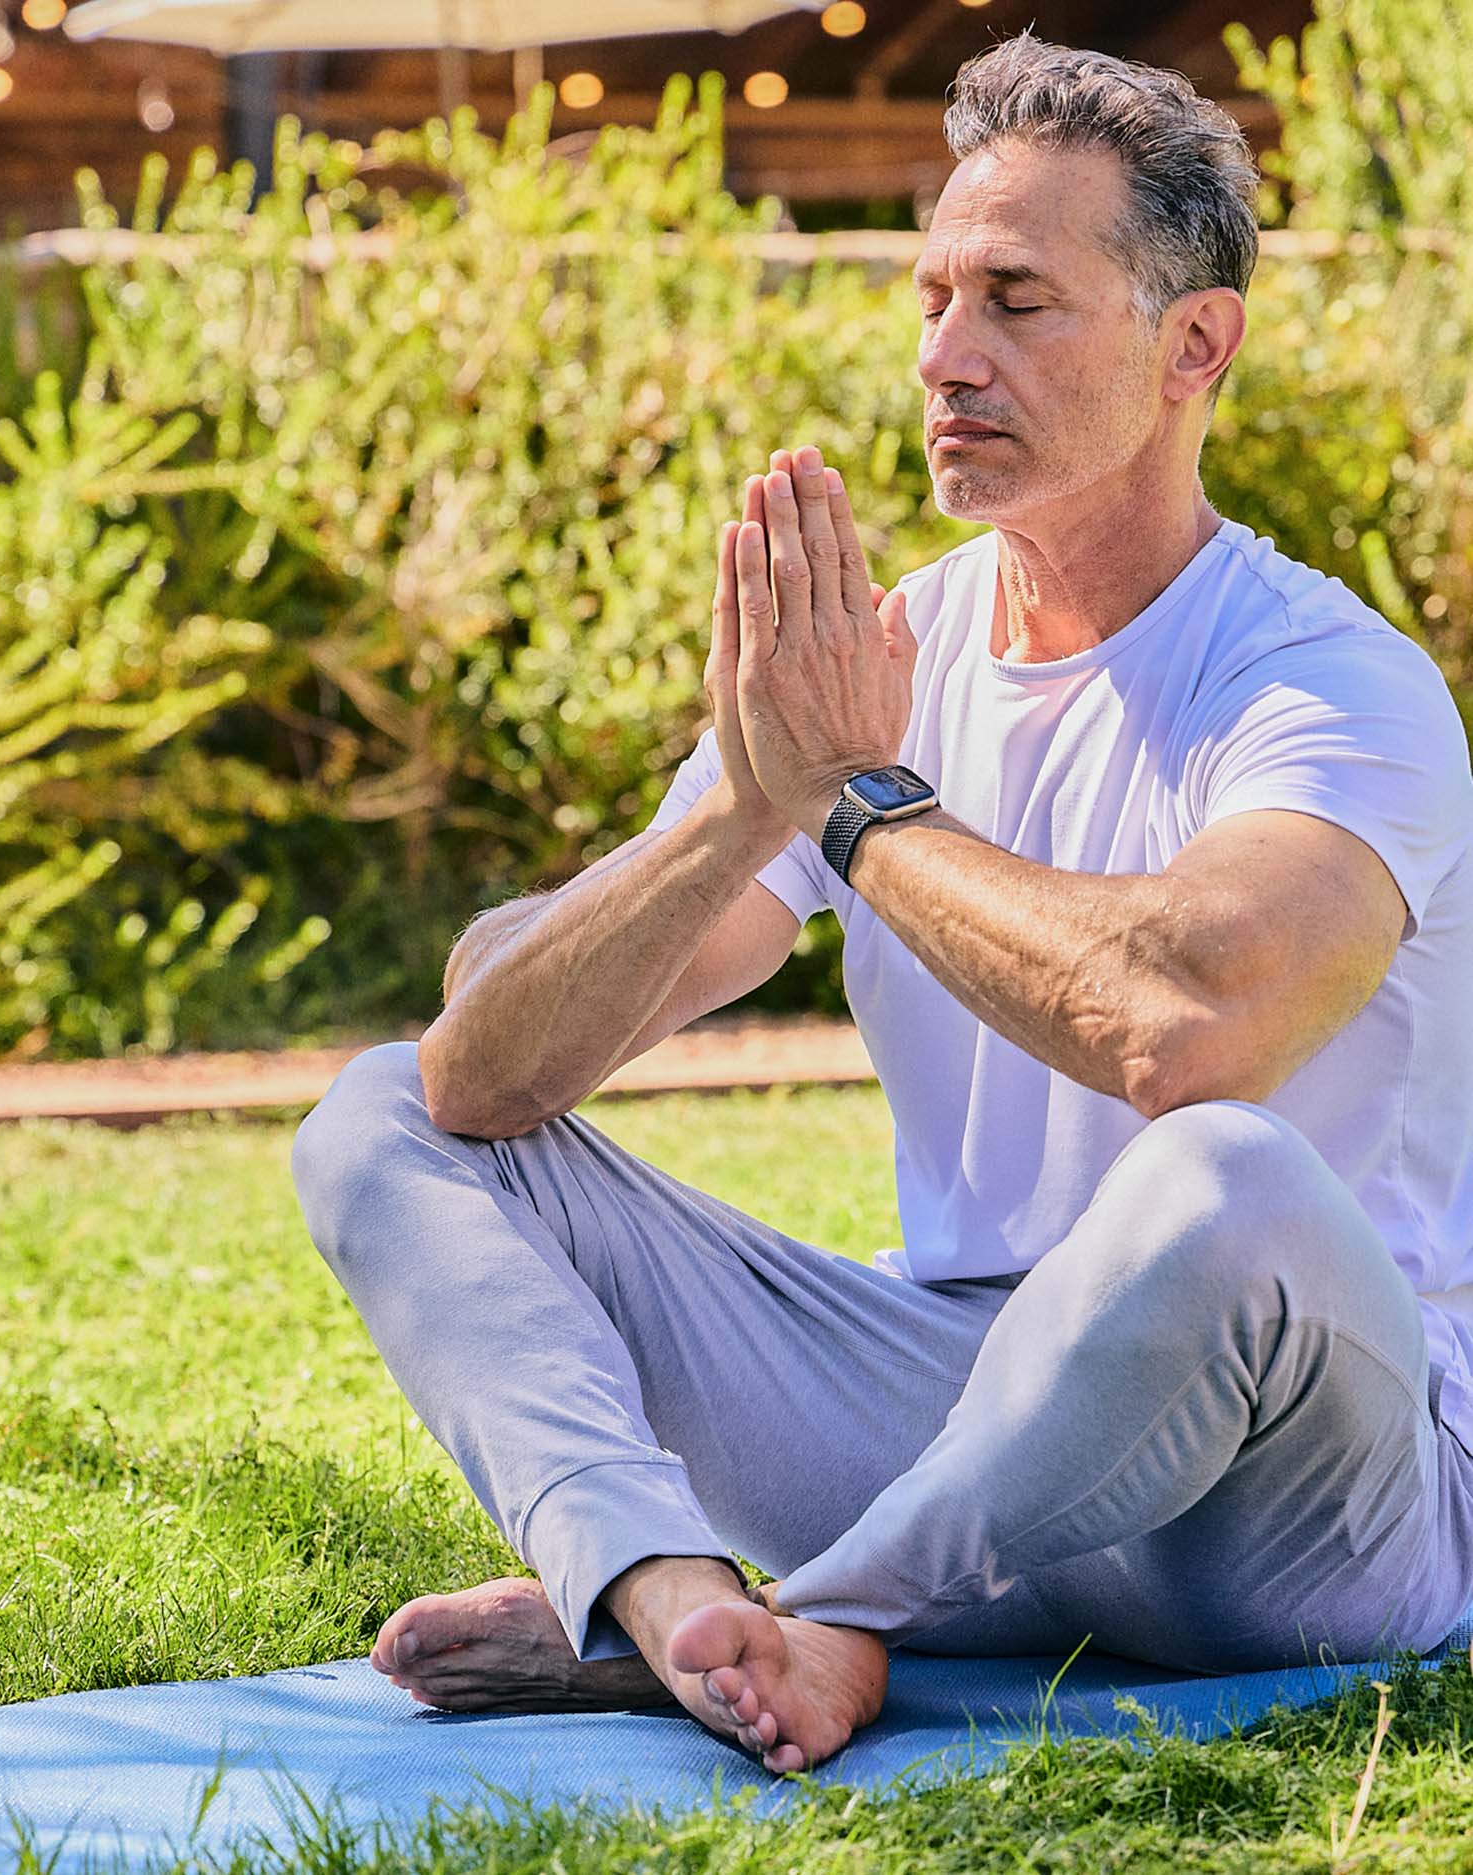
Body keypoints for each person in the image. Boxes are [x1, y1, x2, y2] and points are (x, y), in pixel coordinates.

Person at [290, 29, 1473, 1776]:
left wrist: (856, 811)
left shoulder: (1328, 684)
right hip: (966, 1423)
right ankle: (679, 1601)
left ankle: (836, 1612)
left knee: (1221, 1171)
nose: (944, 357)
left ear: (1194, 344)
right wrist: (743, 810)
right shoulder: (877, 666)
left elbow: (1189, 1026)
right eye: (929, 300)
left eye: (1014, 300)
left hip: (1295, 1505)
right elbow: (493, 1069)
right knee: (383, 1107)